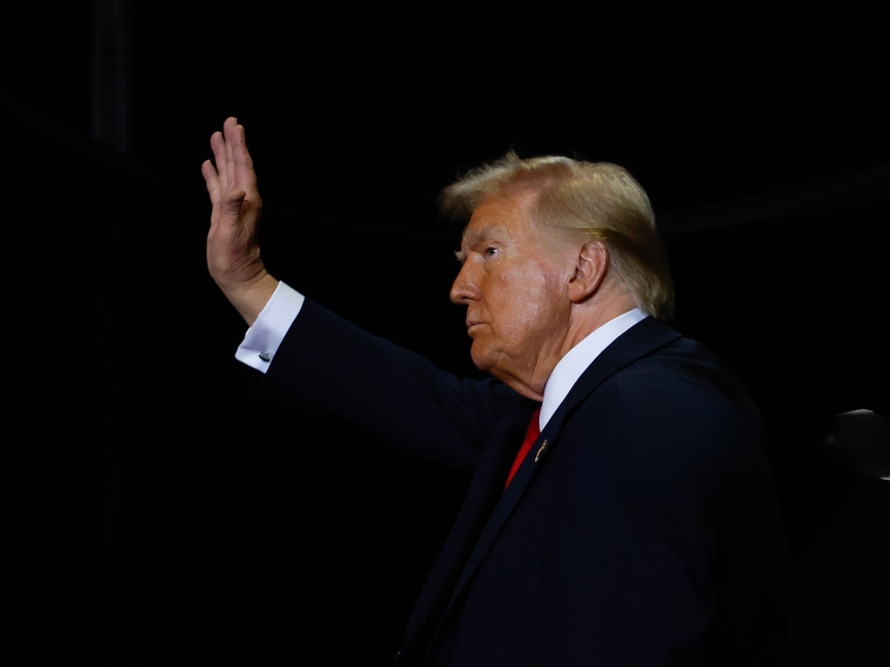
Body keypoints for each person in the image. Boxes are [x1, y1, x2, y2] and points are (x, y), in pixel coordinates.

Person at [202, 117, 789, 666]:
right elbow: (402, 391)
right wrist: (247, 278)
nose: (460, 287)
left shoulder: (649, 412)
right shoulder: (572, 407)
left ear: (583, 270)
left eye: (489, 252)